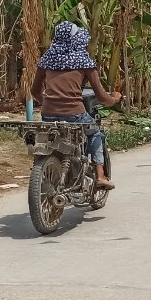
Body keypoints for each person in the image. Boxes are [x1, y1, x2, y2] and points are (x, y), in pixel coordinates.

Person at [32, 21, 121, 190]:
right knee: (94, 132)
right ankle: (100, 176)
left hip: (48, 114)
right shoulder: (84, 62)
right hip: (75, 114)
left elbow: (35, 91)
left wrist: (49, 103)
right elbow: (102, 97)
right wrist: (114, 99)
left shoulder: (47, 59)